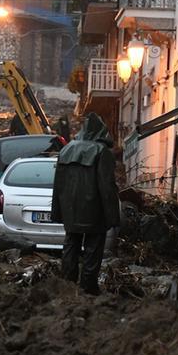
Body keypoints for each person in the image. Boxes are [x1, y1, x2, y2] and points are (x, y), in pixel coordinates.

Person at [51, 112, 120, 295]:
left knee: (71, 244)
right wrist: (113, 216)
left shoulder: (67, 150)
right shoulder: (101, 151)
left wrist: (57, 211)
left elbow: (58, 183)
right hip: (93, 209)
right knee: (93, 247)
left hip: (70, 209)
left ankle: (68, 283)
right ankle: (88, 286)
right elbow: (107, 187)